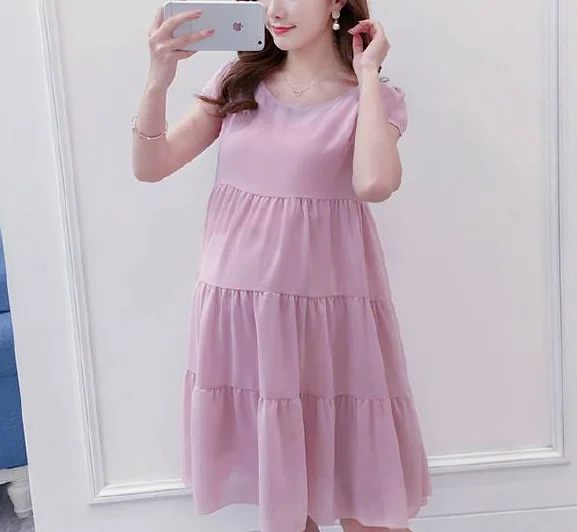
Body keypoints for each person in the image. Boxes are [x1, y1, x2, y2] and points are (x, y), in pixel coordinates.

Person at [132, 1, 432, 531]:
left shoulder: (372, 97)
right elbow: (151, 166)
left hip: (328, 321)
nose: (274, 10)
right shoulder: (238, 80)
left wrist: (367, 75)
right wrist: (159, 79)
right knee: (288, 504)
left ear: (336, 3)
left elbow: (373, 184)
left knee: (366, 506)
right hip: (241, 315)